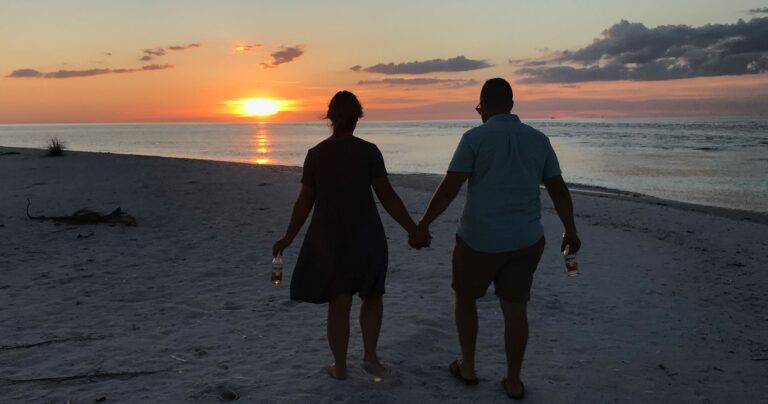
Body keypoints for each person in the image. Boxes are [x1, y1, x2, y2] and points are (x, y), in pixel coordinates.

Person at [411, 78, 581, 400]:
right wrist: (570, 230)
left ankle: (468, 366)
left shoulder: (474, 138)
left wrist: (423, 224)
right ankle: (513, 381)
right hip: (525, 239)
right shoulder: (538, 140)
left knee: (465, 299)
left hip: (478, 239)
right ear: (511, 105)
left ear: (484, 105)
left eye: (479, 108)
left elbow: (450, 187)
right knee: (515, 308)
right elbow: (558, 190)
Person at [273, 91, 422, 380]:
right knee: (372, 295)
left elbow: (304, 202)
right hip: (366, 234)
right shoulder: (368, 152)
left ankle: (340, 367)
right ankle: (370, 357)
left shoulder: (316, 154)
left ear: (330, 118)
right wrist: (413, 229)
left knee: (339, 301)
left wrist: (288, 237)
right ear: (357, 118)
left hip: (329, 237)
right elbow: (387, 196)